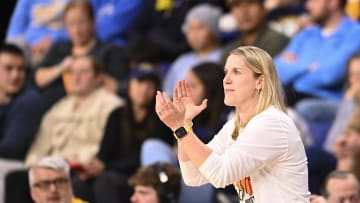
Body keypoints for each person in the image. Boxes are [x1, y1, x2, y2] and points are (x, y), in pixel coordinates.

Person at [155, 46, 310, 202]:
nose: (226, 79)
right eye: (226, 72)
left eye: (236, 72)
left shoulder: (272, 124)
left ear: (260, 81)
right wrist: (183, 123)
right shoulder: (234, 126)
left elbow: (220, 175)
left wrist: (181, 129)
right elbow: (193, 176)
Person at [71, 64, 173, 203]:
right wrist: (93, 167)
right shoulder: (116, 114)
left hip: (141, 177)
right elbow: (104, 152)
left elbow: (149, 159)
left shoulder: (162, 117)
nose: (144, 89)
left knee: (106, 182)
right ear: (129, 86)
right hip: (110, 173)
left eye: (150, 84)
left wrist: (105, 167)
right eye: (139, 82)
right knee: (79, 184)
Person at [26, 55, 123, 167]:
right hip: (53, 167)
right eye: (71, 72)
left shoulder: (112, 106)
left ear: (98, 78)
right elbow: (38, 146)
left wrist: (75, 161)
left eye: (83, 72)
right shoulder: (59, 107)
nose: (76, 78)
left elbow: (107, 150)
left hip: (83, 168)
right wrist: (34, 163)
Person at [34, 0, 129, 109]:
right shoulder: (59, 50)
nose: (77, 29)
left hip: (96, 108)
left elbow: (121, 88)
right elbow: (38, 79)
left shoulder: (110, 51)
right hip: (57, 111)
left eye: (81, 22)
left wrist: (94, 74)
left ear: (92, 22)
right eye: (71, 24)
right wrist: (60, 68)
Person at [274, 0, 360, 106]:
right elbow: (275, 68)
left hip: (327, 100)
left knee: (299, 106)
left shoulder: (355, 33)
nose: (307, 5)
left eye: (314, 1)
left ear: (334, 3)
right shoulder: (308, 32)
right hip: (291, 93)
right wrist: (306, 67)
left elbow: (329, 76)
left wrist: (292, 68)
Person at [0, 43, 45, 203]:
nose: (15, 75)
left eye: (21, 69)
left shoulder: (30, 100)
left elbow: (11, 149)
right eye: (9, 68)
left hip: (20, 165)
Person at [163, 4, 222, 96]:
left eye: (200, 28)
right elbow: (168, 93)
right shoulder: (181, 61)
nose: (194, 34)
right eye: (190, 28)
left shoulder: (224, 57)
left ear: (213, 30)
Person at [220, 0, 289, 64]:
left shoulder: (277, 40)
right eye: (237, 6)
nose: (244, 12)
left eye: (251, 3)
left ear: (263, 8)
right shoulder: (229, 50)